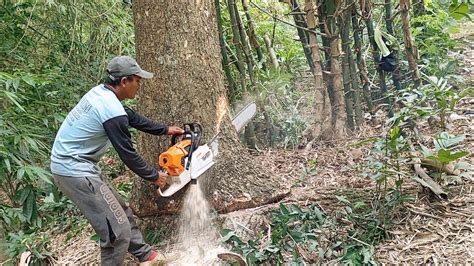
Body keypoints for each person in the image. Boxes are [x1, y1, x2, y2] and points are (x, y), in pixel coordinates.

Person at [50, 55, 184, 265]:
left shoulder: (102, 94)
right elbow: (127, 154)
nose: (139, 86)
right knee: (117, 232)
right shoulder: (111, 110)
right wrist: (153, 176)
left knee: (120, 210)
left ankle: (146, 256)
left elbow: (132, 117)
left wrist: (165, 130)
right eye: (137, 81)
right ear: (124, 81)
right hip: (74, 170)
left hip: (79, 166)